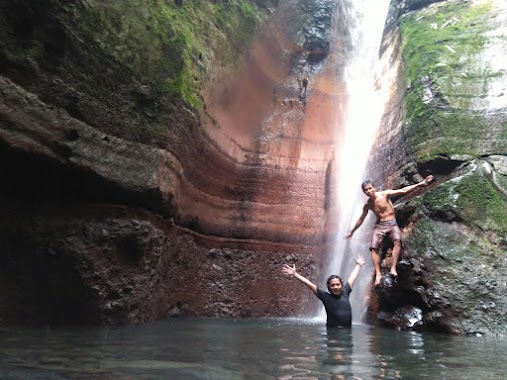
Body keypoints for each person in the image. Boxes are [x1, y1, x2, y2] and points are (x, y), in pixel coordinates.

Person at [344, 175, 433, 285]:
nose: (369, 191)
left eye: (370, 188)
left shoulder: (384, 194)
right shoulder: (367, 205)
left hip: (391, 223)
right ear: (364, 192)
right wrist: (352, 231)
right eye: (366, 190)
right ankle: (378, 273)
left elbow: (403, 190)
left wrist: (420, 183)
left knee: (397, 241)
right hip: (380, 225)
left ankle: (393, 268)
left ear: (374, 187)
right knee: (373, 248)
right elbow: (361, 219)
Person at [282, 255, 366, 327]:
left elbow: (352, 278)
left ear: (341, 285)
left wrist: (358, 265)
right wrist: (295, 274)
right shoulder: (325, 297)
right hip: (333, 332)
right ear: (329, 287)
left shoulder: (345, 292)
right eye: (332, 285)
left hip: (347, 331)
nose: (336, 287)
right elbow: (309, 284)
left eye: (338, 284)